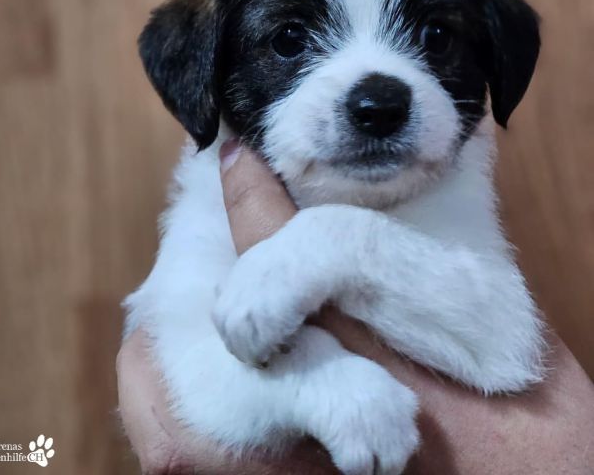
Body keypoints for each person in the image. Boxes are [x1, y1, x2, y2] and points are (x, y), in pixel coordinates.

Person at [117, 143, 594, 474]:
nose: (374, 90)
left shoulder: (449, 176)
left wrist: (345, 246)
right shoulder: (207, 205)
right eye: (290, 40)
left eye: (432, 39)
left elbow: (505, 352)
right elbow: (185, 385)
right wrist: (313, 382)